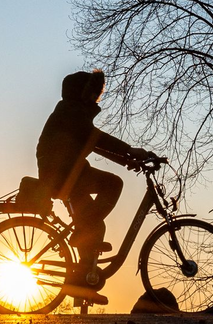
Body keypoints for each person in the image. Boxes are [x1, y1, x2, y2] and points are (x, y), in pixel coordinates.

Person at [36, 69, 154, 302]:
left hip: (69, 173)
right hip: (63, 174)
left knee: (95, 226)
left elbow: (92, 143)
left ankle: (82, 281)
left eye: (96, 93)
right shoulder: (71, 111)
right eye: (92, 92)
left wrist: (127, 159)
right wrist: (129, 150)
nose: (95, 97)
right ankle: (80, 245)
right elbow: (95, 138)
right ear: (81, 92)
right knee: (112, 186)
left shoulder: (72, 112)